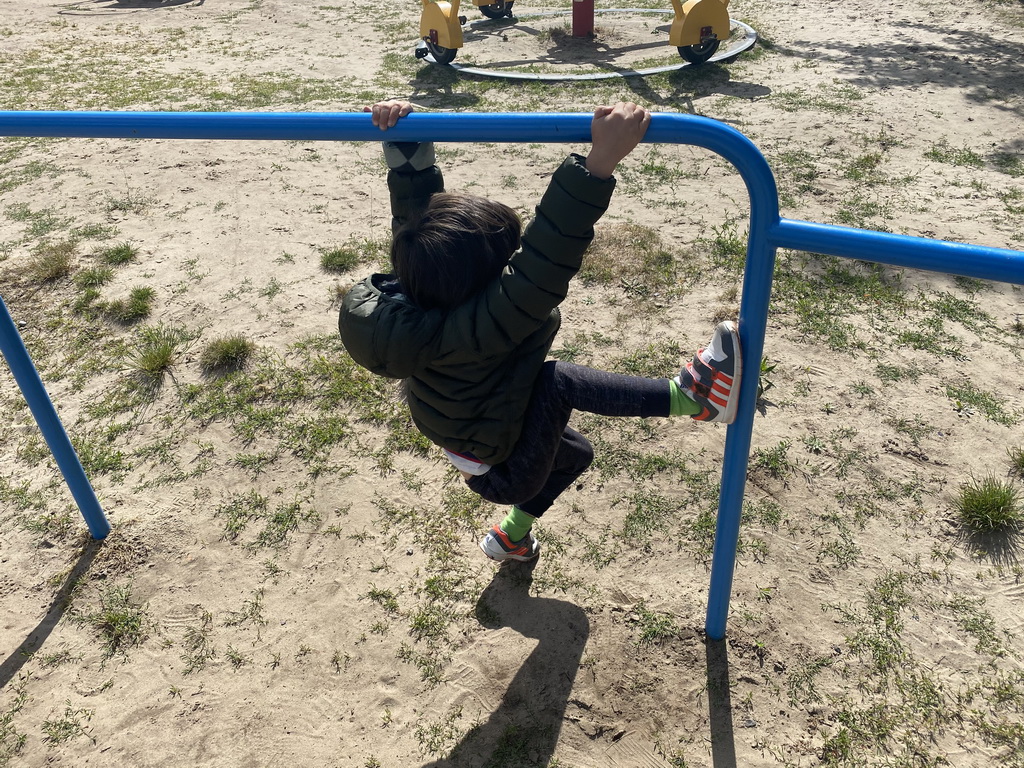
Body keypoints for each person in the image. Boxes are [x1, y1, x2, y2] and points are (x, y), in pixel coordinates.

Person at [339, 100, 741, 564]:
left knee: (574, 454)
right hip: (502, 465)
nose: (514, 266)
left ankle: (511, 539)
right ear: (488, 282)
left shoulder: (419, 293)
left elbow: (416, 224)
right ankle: (695, 399)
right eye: (507, 261)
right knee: (557, 383)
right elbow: (543, 263)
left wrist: (408, 152)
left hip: (482, 443)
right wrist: (597, 166)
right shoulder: (482, 327)